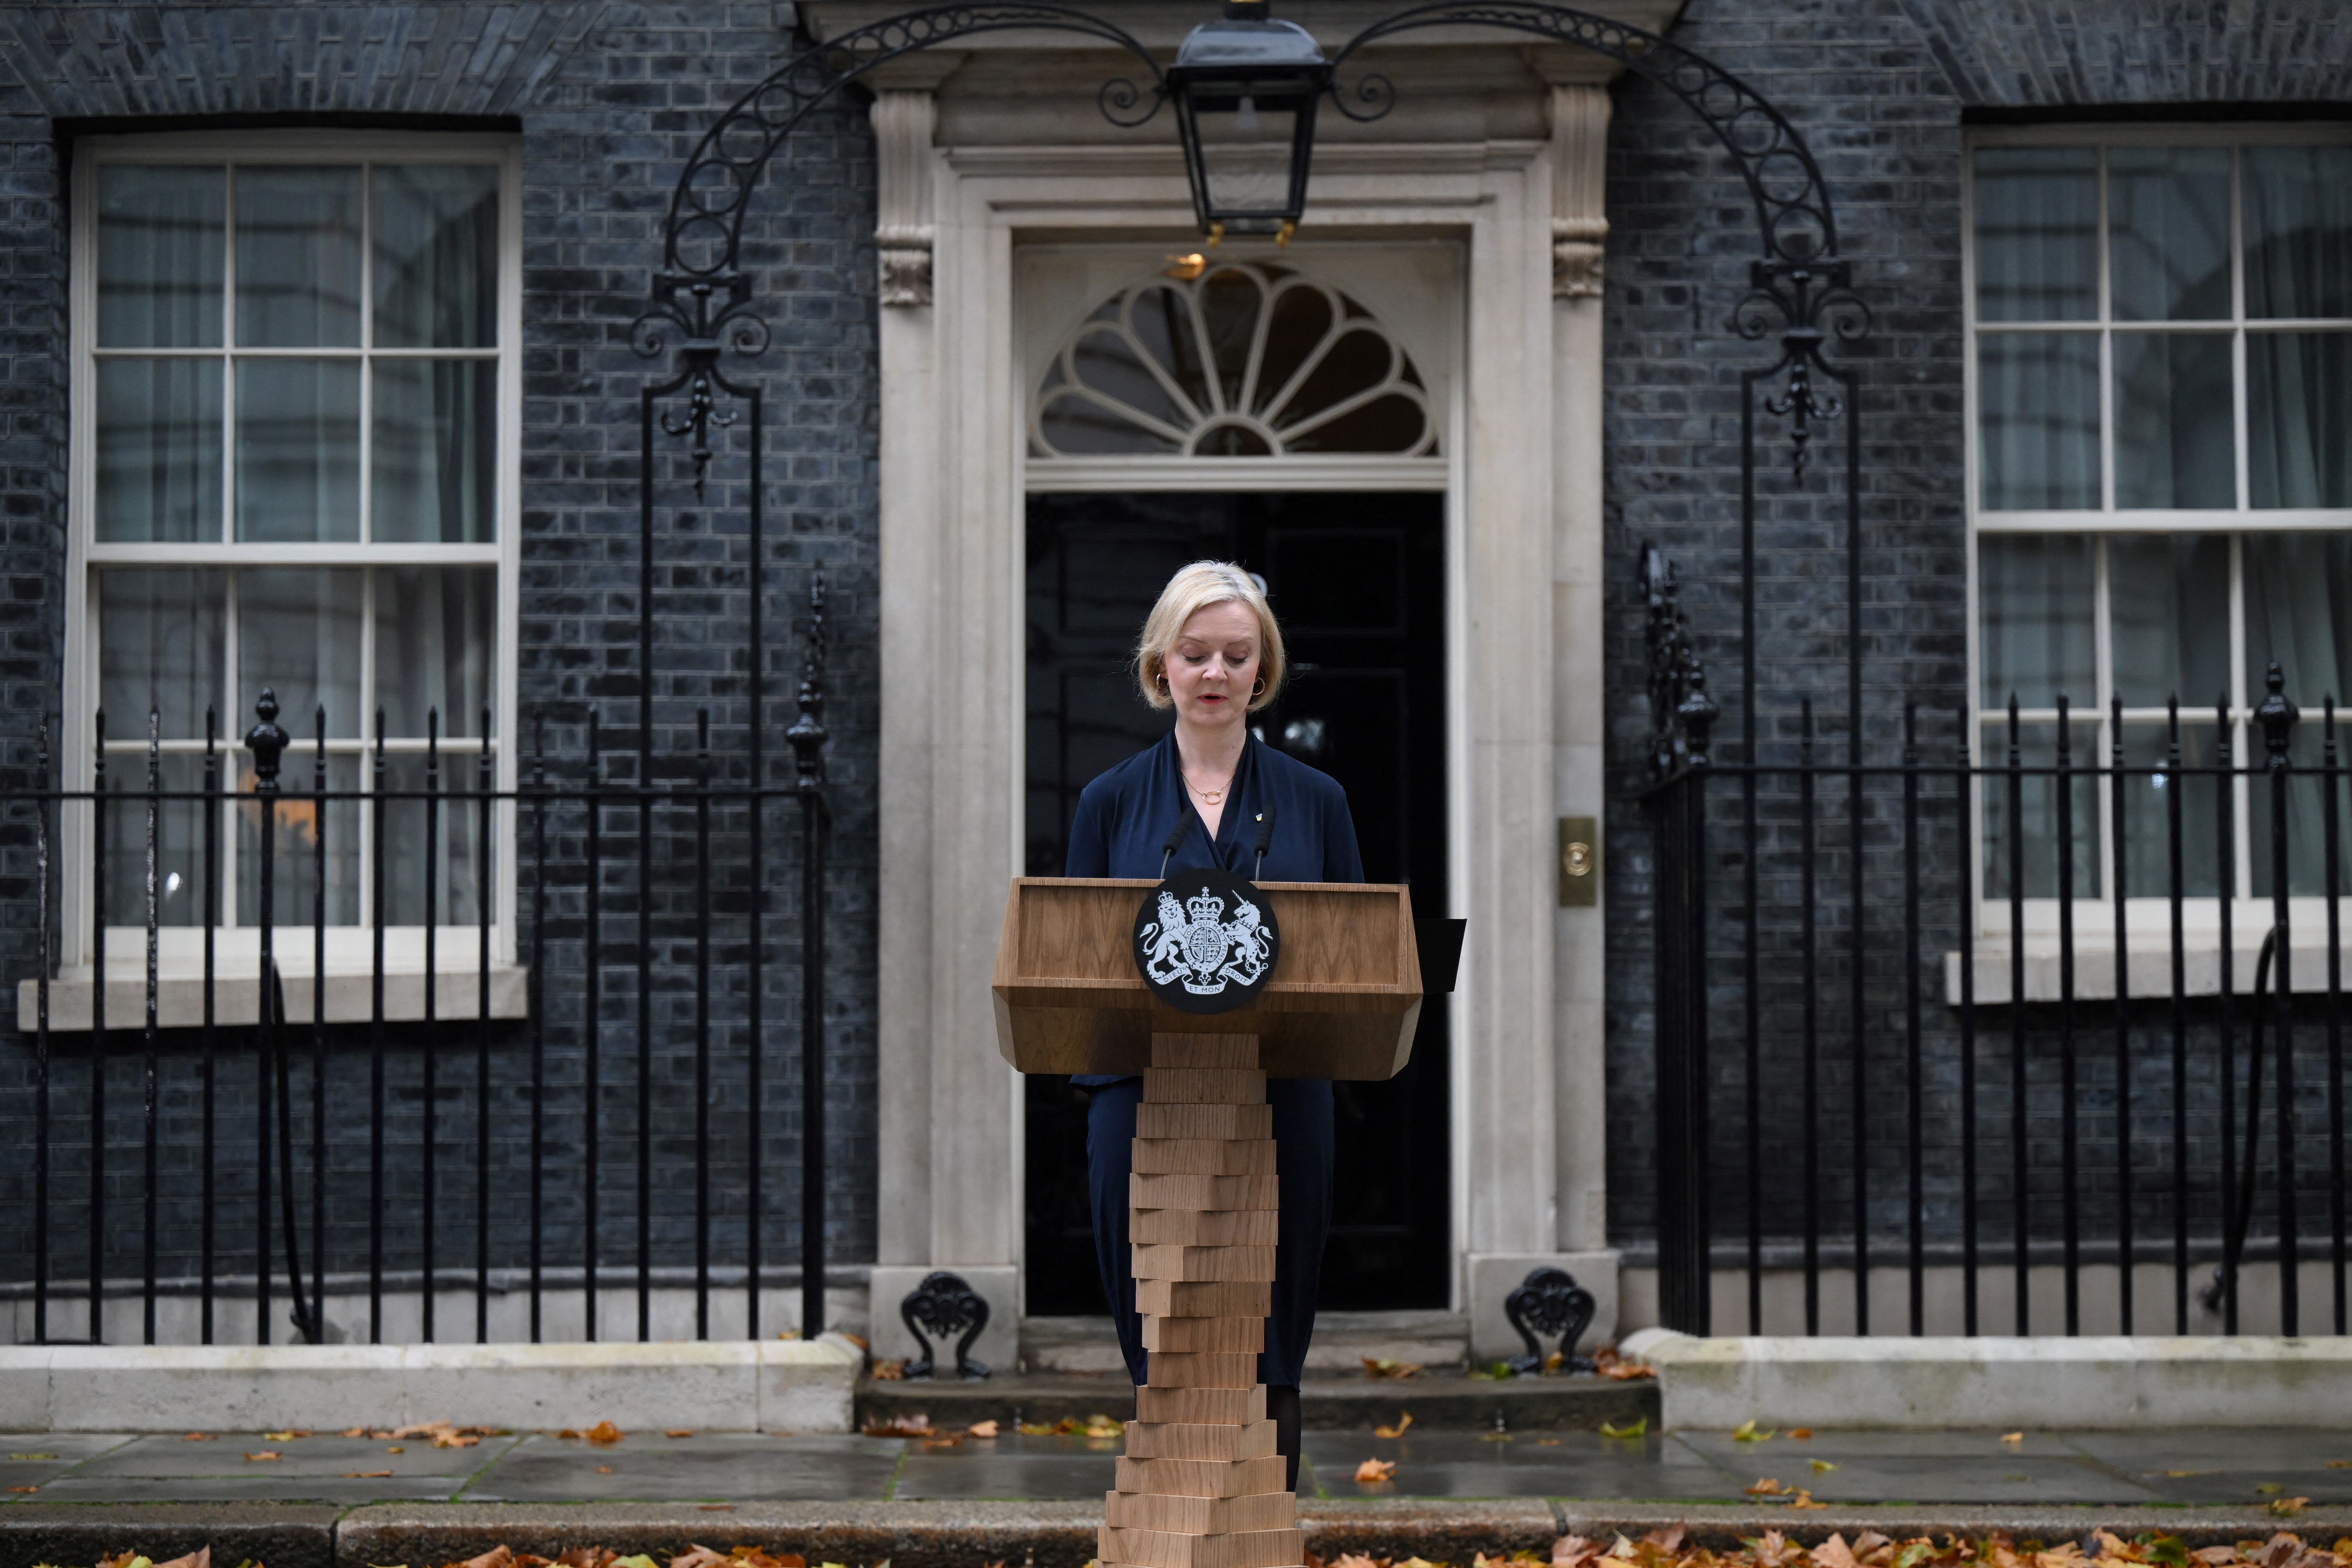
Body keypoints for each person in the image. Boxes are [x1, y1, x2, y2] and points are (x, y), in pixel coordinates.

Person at [1064, 559, 1364, 1491]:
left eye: (1237, 655)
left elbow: (1359, 956)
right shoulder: (1108, 800)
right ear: (1161, 664)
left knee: (1269, 1320)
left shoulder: (1319, 800)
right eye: (1195, 653)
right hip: (1140, 1091)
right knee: (1160, 1318)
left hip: (1281, 1094)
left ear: (1260, 669)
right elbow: (1067, 959)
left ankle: (1262, 1514)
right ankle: (1173, 1514)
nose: (1215, 673)